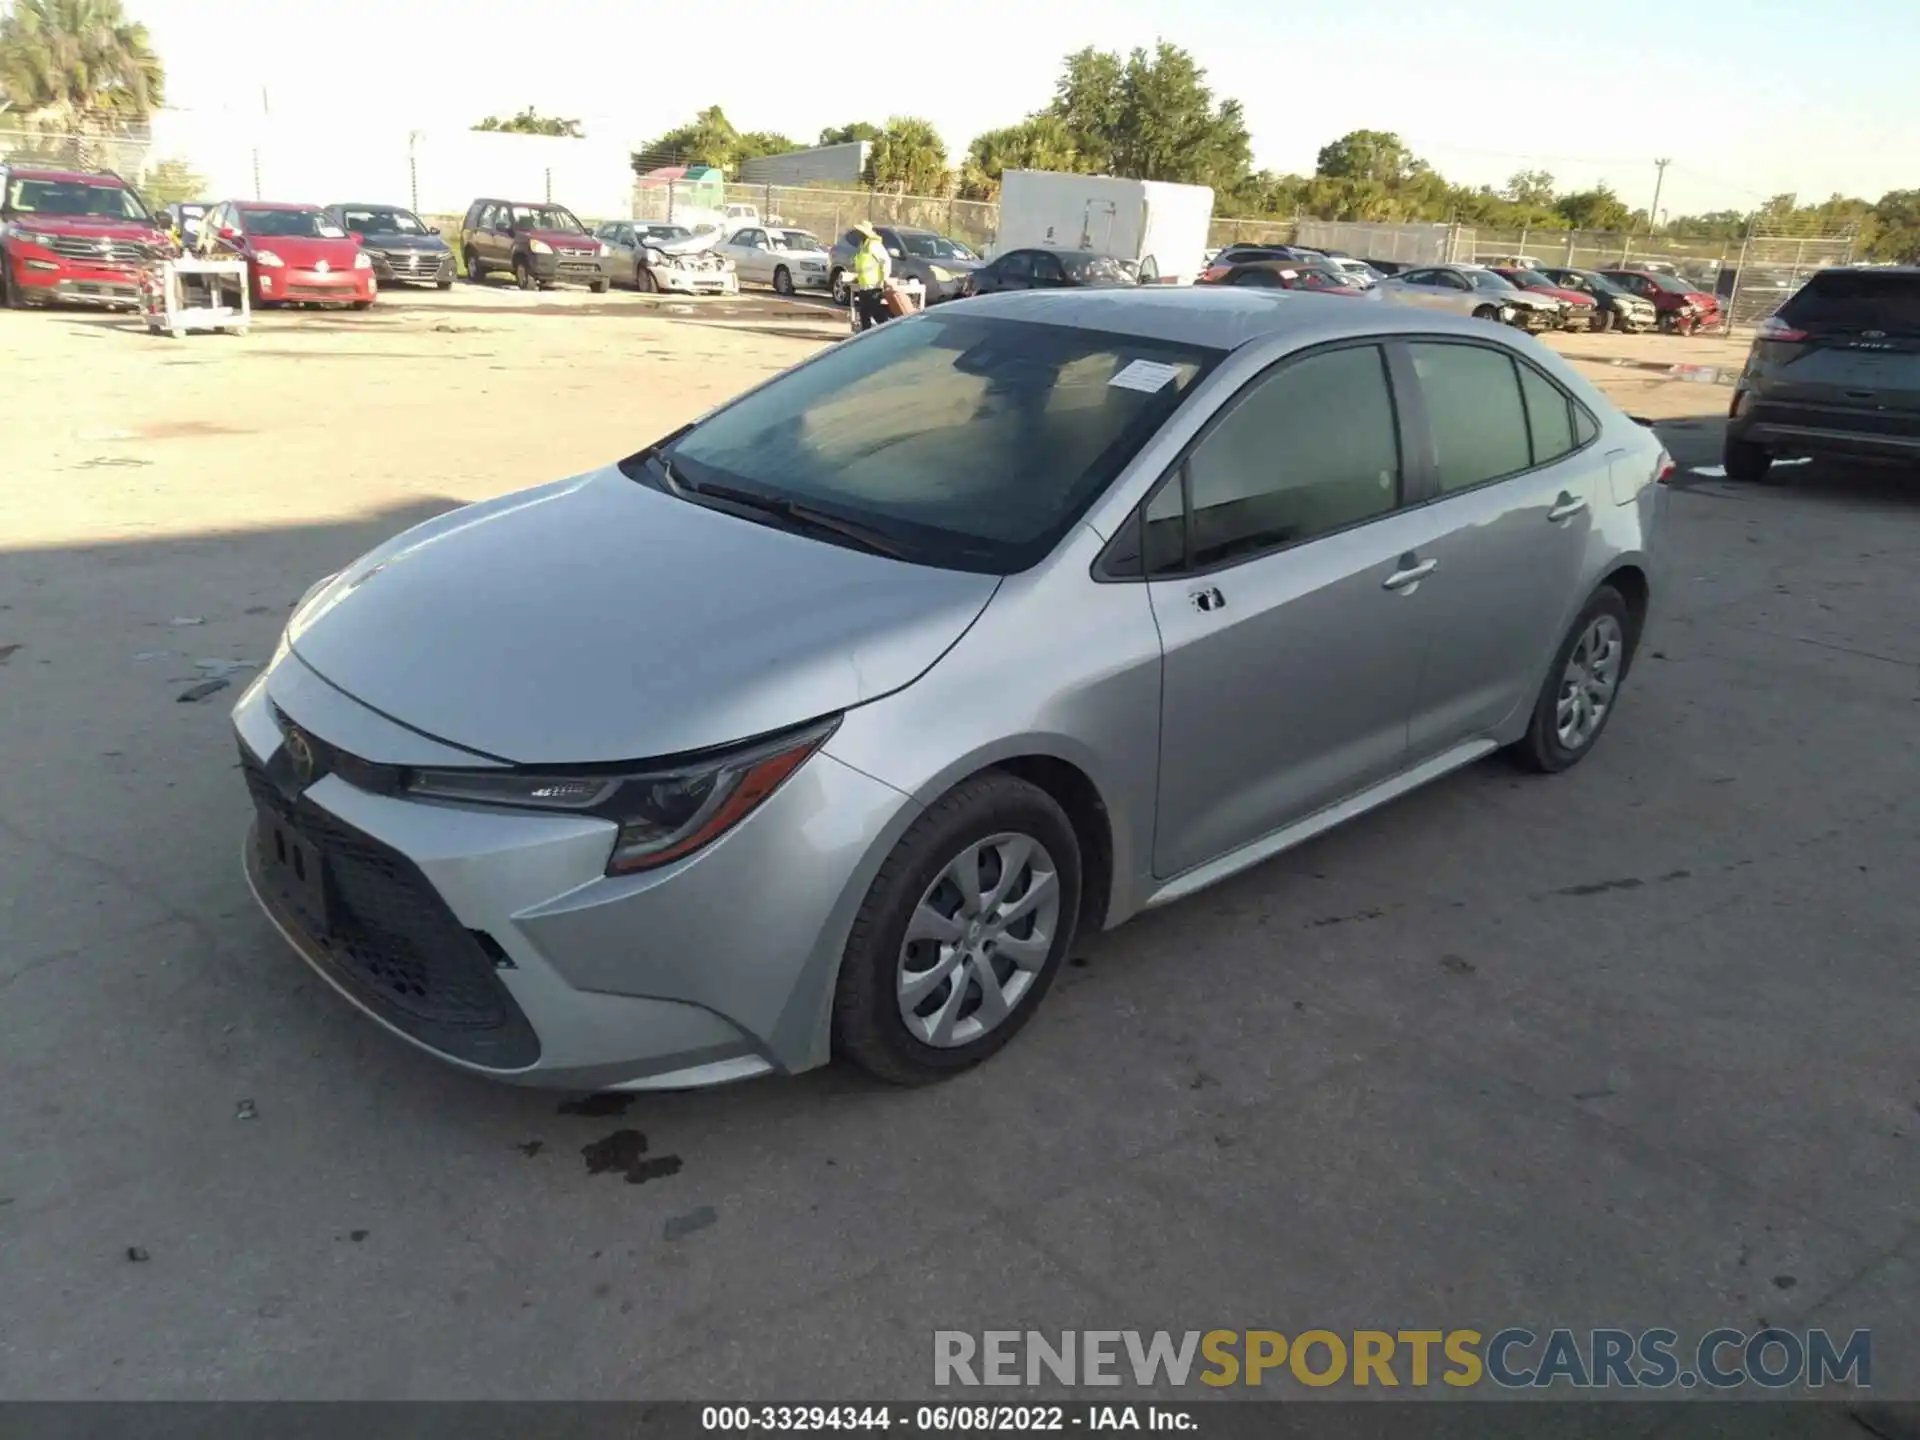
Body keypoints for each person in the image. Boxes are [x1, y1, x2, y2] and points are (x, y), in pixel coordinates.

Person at [850, 222, 892, 332]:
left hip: (874, 286)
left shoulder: (874, 245)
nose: (857, 235)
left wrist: (885, 279)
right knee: (864, 314)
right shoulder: (863, 246)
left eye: (860, 232)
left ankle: (889, 330)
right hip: (864, 286)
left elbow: (885, 261)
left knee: (875, 312)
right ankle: (865, 334)